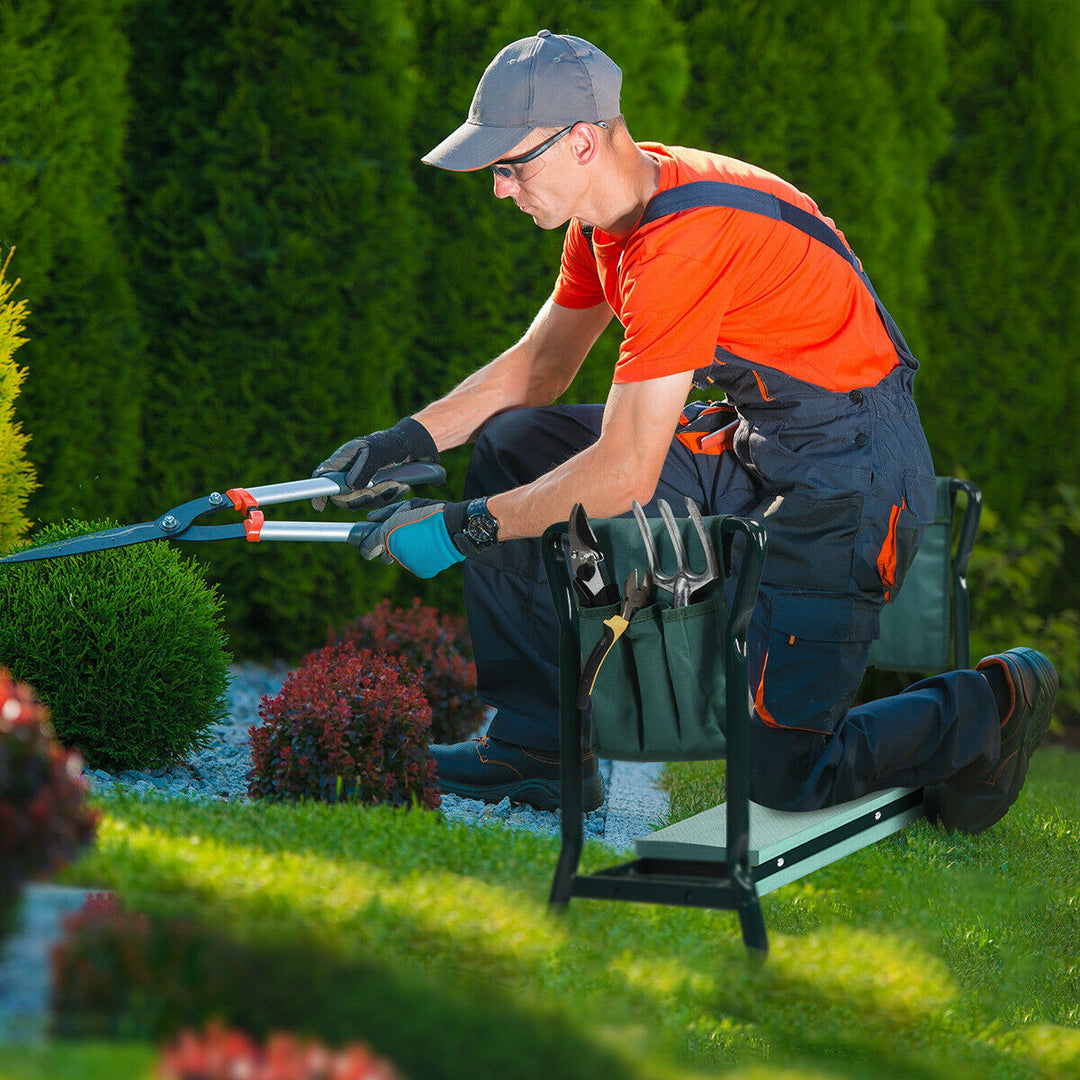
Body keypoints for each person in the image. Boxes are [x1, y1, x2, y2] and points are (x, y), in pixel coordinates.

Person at [313, 30, 1057, 834]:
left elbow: (627, 472)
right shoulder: (607, 223)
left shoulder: (679, 243)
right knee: (518, 443)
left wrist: (468, 527)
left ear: (585, 141)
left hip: (853, 477)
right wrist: (402, 443)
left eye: (511, 165)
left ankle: (995, 700)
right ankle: (539, 747)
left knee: (787, 776)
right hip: (756, 444)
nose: (499, 189)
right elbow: (539, 369)